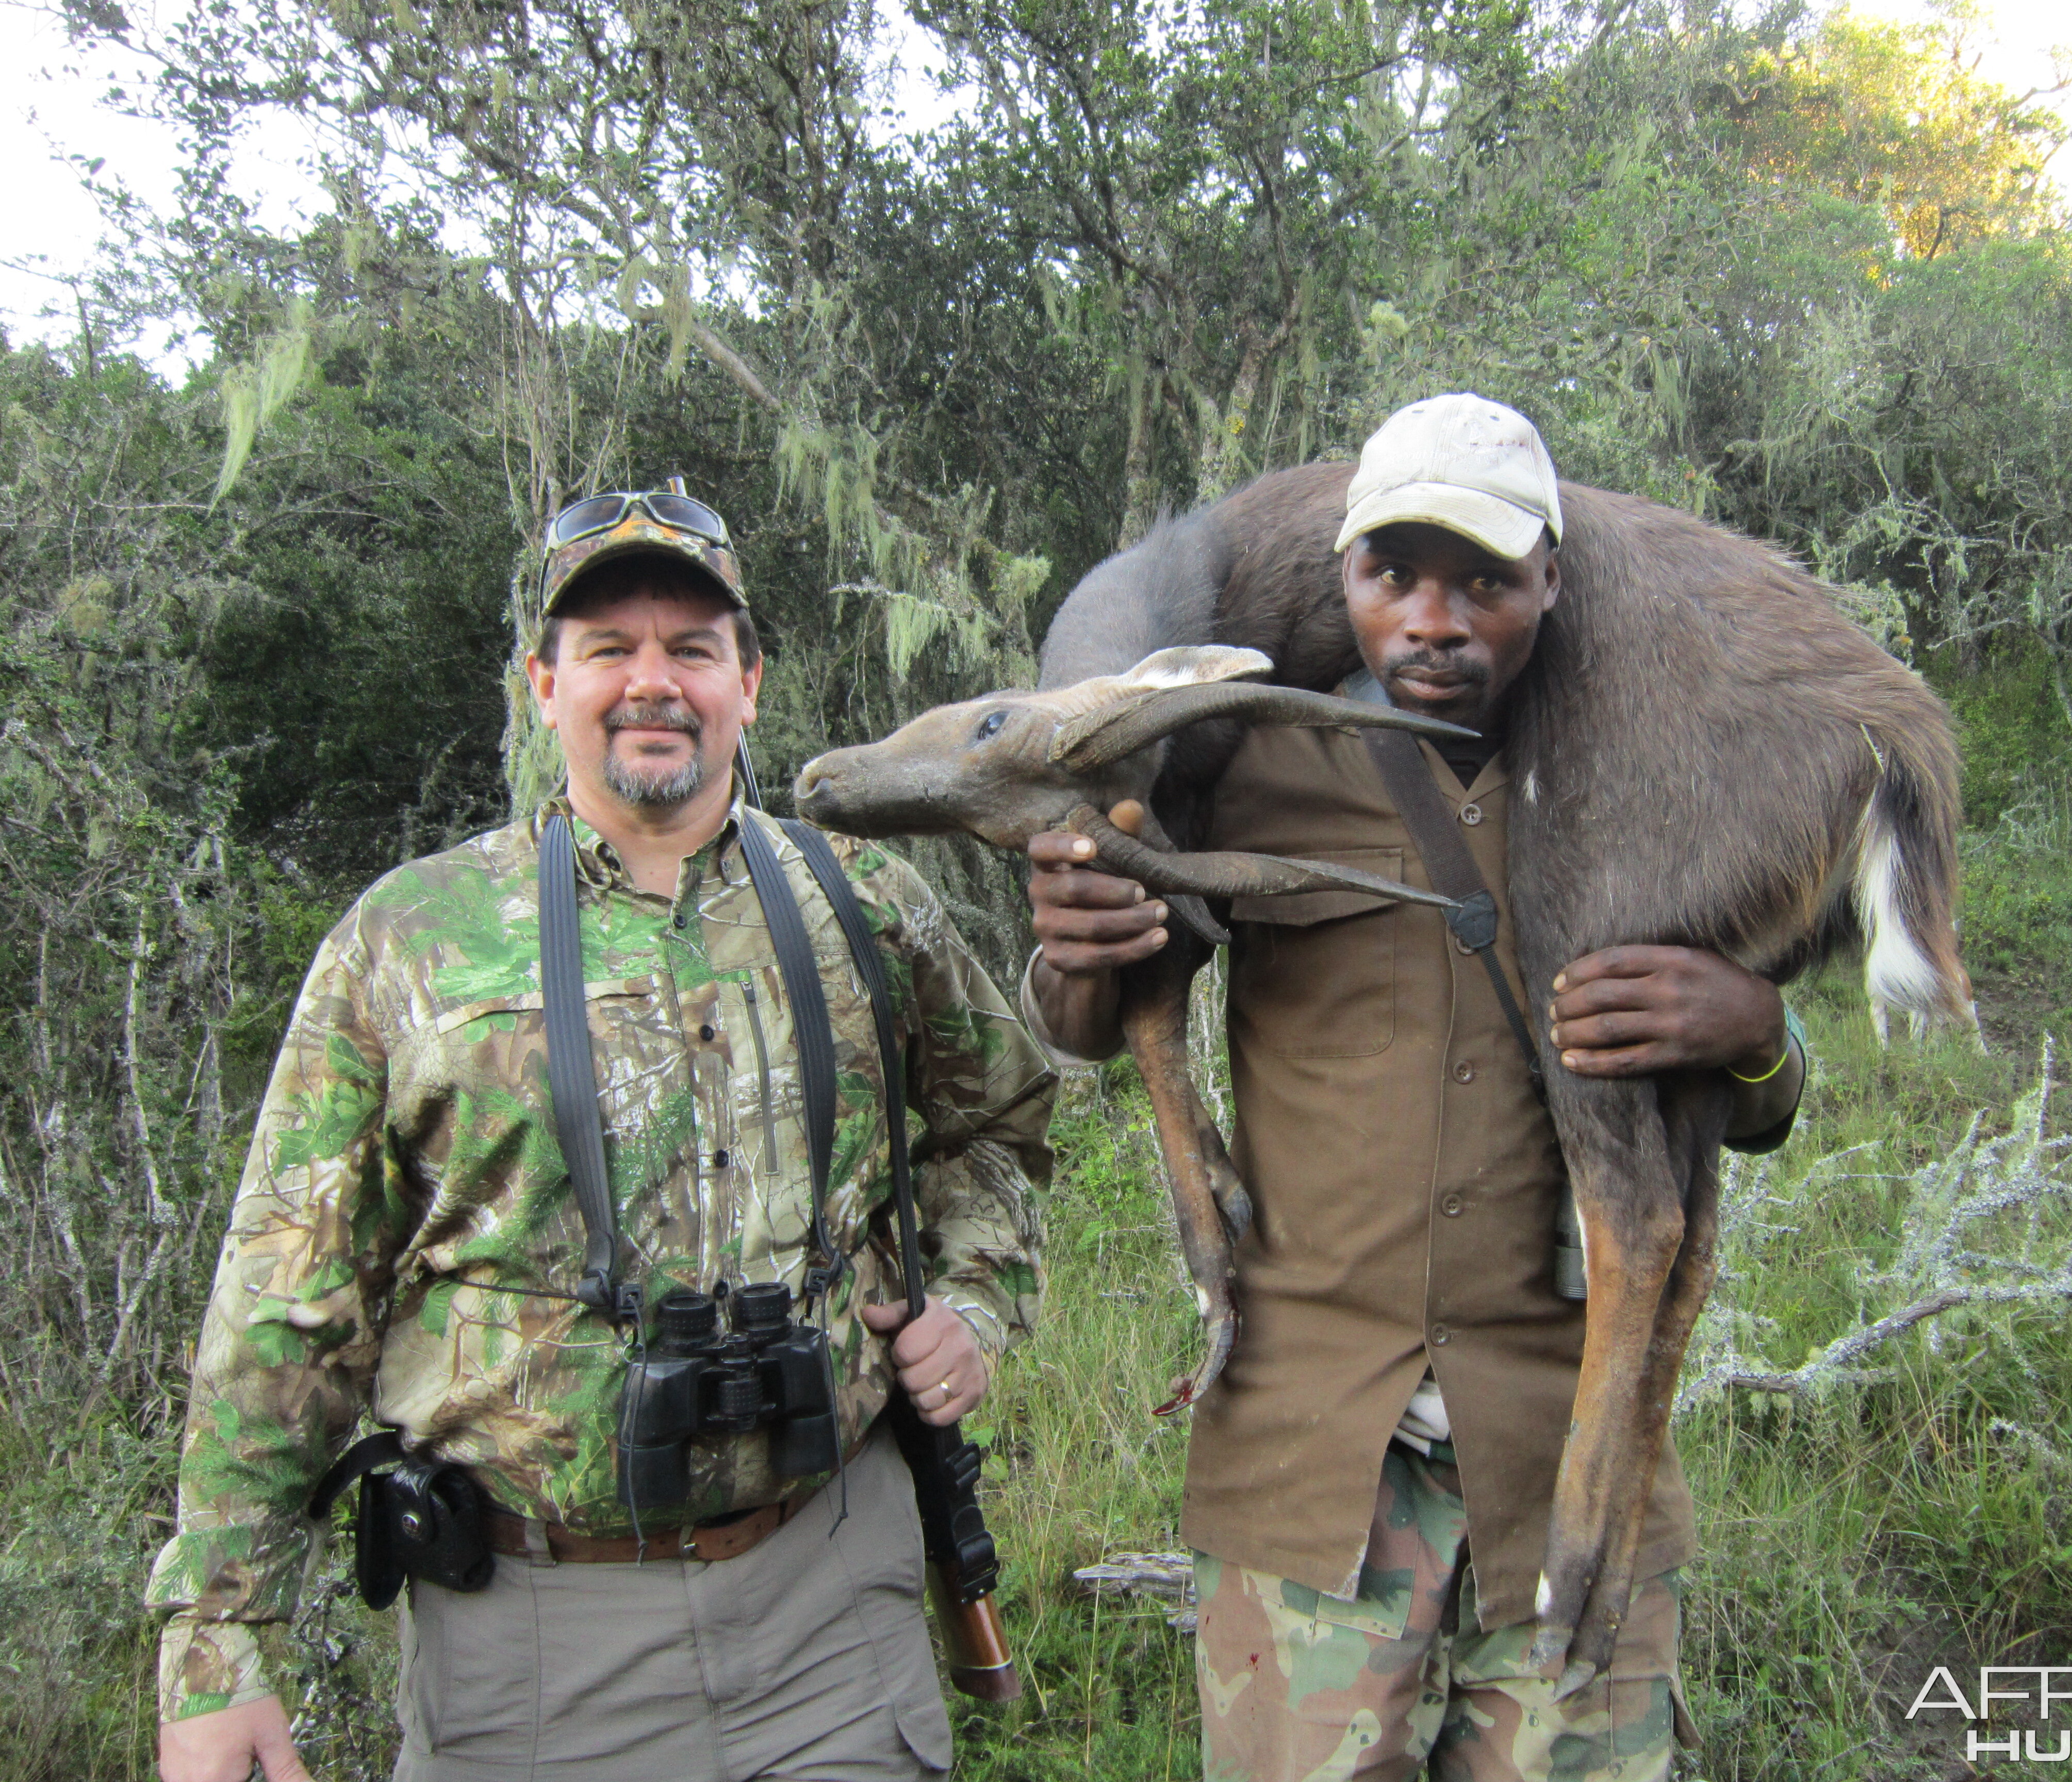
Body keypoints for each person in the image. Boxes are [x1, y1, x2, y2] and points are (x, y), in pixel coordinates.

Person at [148, 486, 1055, 1782]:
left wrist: (972, 1298)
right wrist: (214, 1643)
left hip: (831, 1608)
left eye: (691, 648)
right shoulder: (412, 940)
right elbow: (286, 1300)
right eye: (606, 649)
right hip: (530, 1650)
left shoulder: (867, 902)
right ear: (543, 683)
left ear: (748, 680)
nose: (652, 684)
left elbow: (1004, 1127)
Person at [1022, 394, 1808, 1781]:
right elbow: (1097, 1011)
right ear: (1342, 577)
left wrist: (1755, 1028)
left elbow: (1754, 1112)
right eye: (1395, 576)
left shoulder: (1650, 787)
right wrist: (1072, 948)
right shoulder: (1251, 753)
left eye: (1485, 582)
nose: (1434, 622)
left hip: (1565, 1464)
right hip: (1313, 1460)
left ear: (1552, 586)